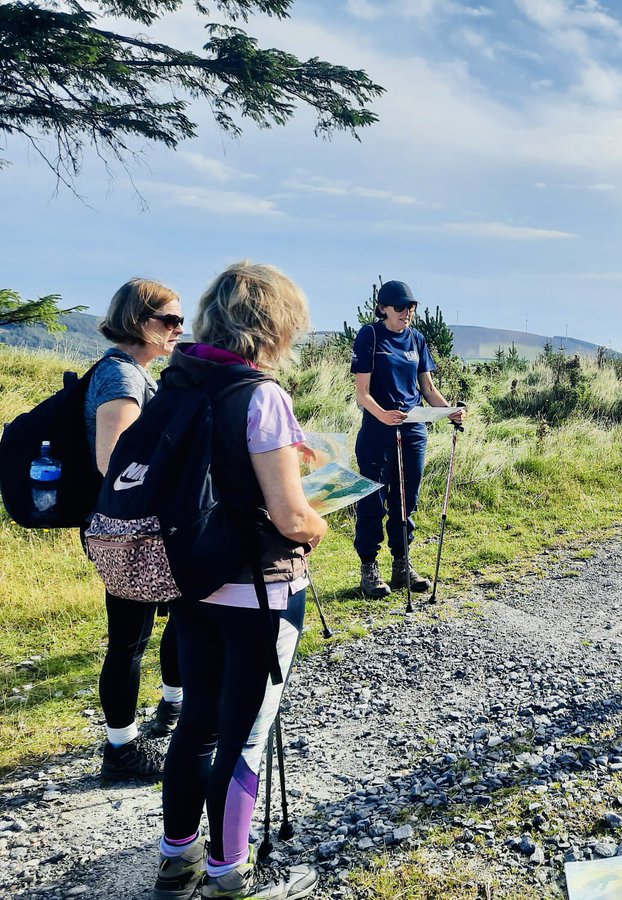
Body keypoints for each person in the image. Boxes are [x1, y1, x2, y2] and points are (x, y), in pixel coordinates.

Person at [153, 262, 325, 900]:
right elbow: (289, 515)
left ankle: (178, 857)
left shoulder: (183, 380)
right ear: (273, 324)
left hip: (191, 577)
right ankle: (231, 876)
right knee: (246, 730)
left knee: (197, 718)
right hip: (259, 588)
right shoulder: (261, 394)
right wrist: (318, 525)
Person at [87, 278, 187, 782]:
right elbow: (116, 461)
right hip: (133, 533)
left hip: (146, 528)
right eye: (168, 320)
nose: (177, 329)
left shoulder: (136, 375)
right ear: (137, 321)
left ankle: (170, 708)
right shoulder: (122, 379)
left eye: (180, 321)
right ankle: (121, 749)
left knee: (174, 621)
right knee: (129, 639)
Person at [350, 280, 465, 598]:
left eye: (411, 307)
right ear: (383, 307)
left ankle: (402, 564)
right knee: (371, 500)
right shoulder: (370, 336)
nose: (407, 313)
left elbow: (427, 390)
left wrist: (449, 411)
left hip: (413, 431)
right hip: (378, 431)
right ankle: (369, 567)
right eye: (400, 307)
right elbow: (362, 394)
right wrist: (382, 414)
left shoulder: (417, 339)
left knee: (406, 501)